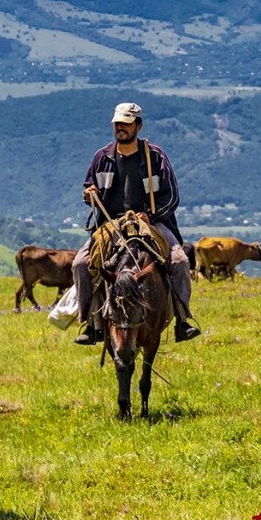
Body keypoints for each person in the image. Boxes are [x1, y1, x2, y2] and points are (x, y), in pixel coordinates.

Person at [71, 101, 201, 345]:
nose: (120, 127)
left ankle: (183, 321)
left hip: (151, 222)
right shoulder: (102, 157)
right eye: (117, 123)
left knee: (180, 261)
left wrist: (149, 216)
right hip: (112, 223)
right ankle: (91, 323)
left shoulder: (155, 156)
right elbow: (88, 189)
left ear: (138, 126)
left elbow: (172, 197)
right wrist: (89, 194)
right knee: (80, 263)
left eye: (126, 124)